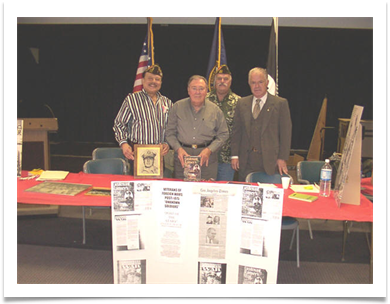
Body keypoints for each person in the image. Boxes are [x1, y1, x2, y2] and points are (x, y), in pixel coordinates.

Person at [231, 67, 292, 182]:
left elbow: (286, 134)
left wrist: (282, 158)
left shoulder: (280, 104)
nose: (257, 86)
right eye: (253, 83)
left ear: (267, 83)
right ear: (249, 84)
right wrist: (234, 155)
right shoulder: (242, 103)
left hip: (270, 162)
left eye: (260, 82)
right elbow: (236, 132)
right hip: (246, 163)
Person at [166, 75, 229, 180]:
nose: (197, 92)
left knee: (206, 193)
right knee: (183, 193)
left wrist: (209, 149)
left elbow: (224, 134)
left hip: (206, 159)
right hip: (183, 159)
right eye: (194, 88)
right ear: (188, 90)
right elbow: (169, 133)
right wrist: (178, 149)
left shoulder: (215, 110)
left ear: (206, 91)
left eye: (201, 88)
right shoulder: (177, 107)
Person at [113, 65, 172, 174]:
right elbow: (119, 124)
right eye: (150, 78)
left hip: (158, 155)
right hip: (136, 154)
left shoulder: (167, 102)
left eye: (157, 79)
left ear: (161, 82)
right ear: (143, 81)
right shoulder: (132, 99)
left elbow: (171, 128)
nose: (153, 82)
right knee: (138, 188)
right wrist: (123, 143)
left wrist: (167, 143)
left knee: (156, 188)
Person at [206, 65, 241, 181]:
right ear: (214, 81)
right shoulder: (204, 100)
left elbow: (240, 131)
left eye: (225, 79)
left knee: (224, 193)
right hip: (206, 156)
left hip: (227, 159)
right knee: (205, 191)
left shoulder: (239, 102)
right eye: (219, 78)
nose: (222, 81)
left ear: (230, 82)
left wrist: (236, 155)